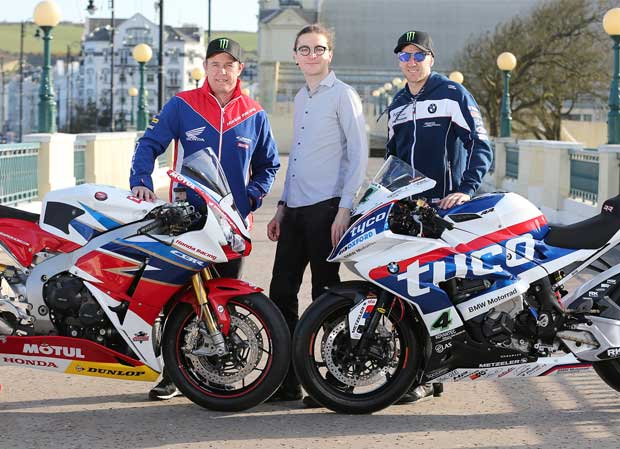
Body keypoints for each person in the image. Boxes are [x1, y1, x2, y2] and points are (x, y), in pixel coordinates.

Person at [130, 37, 280, 400]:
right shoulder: (183, 105)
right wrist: (140, 183)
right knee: (178, 298)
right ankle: (171, 373)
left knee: (223, 298)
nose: (222, 71)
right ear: (206, 68)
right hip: (187, 219)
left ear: (240, 70)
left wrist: (252, 197)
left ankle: (212, 373)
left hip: (231, 223)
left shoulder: (254, 114)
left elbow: (269, 165)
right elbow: (149, 144)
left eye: (229, 64)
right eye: (215, 64)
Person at [387, 30, 493, 402]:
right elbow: (392, 160)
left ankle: (434, 372)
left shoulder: (452, 94)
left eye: (418, 55)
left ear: (432, 58)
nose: (411, 62)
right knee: (411, 290)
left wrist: (466, 188)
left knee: (443, 290)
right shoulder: (397, 102)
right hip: (410, 212)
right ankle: (419, 371)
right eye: (404, 56)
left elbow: (481, 143)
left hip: (446, 209)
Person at [266, 24, 368, 406]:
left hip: (327, 209)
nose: (311, 55)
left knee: (326, 296)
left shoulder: (344, 96)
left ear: (330, 54)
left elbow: (358, 157)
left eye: (318, 48)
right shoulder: (300, 98)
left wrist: (344, 209)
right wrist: (280, 206)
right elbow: (295, 161)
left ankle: (336, 380)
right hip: (294, 211)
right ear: (295, 56)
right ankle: (287, 382)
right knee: (281, 294)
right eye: (304, 49)